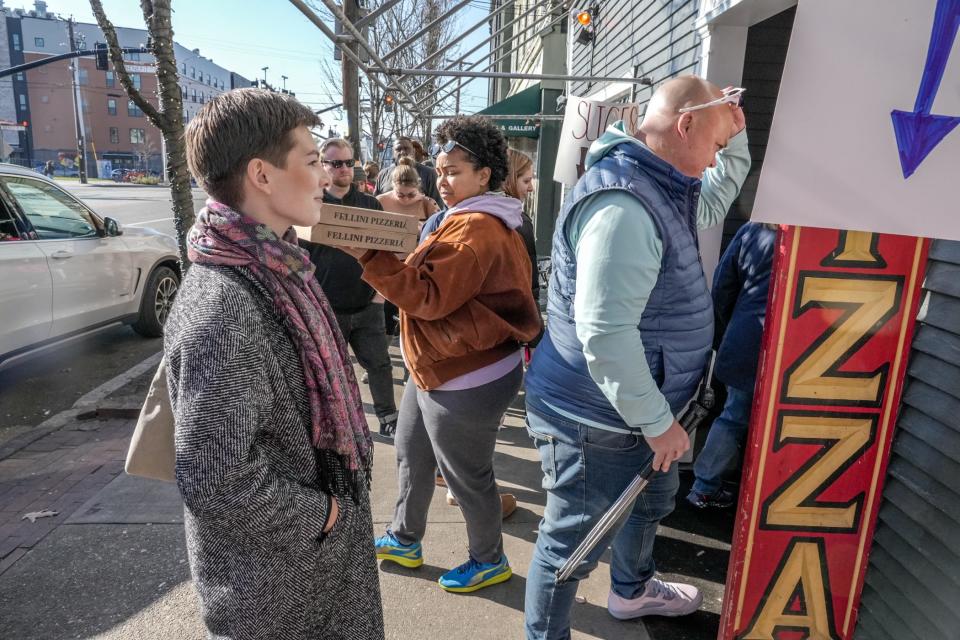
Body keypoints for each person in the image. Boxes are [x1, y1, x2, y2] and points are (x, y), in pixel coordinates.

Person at [522, 76, 750, 637]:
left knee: (648, 504)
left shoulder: (663, 185)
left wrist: (736, 136)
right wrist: (656, 422)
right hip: (599, 419)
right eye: (718, 145)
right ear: (685, 125)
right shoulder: (626, 204)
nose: (718, 159)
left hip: (636, 413)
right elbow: (605, 335)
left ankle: (632, 592)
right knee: (569, 547)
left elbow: (718, 195)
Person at [163, 88, 383, 639]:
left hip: (304, 578)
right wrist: (327, 517)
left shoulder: (276, 266)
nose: (324, 177)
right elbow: (216, 479)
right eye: (311, 161)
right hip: (279, 596)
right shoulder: (225, 302)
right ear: (262, 175)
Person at [349, 115, 540, 593]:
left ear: (485, 175)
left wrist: (370, 256)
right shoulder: (477, 218)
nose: (444, 180)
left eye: (454, 171)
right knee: (412, 455)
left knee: (466, 477)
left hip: (465, 371)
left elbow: (428, 296)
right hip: (438, 362)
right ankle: (404, 538)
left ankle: (489, 559)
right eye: (441, 170)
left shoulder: (477, 226)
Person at [298, 137, 400, 437]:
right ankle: (337, 425)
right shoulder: (310, 203)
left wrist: (380, 297)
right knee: (330, 373)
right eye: (335, 163)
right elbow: (294, 255)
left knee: (379, 365)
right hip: (327, 308)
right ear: (323, 165)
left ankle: (388, 417)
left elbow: (386, 254)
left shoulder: (370, 204)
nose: (344, 169)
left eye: (348, 162)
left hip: (366, 305)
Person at [687, 222, 777, 509]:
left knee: (734, 416)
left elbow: (723, 285)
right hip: (800, 348)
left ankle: (703, 487)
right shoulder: (821, 234)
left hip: (747, 339)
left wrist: (729, 328)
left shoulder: (754, 230)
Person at [503, 149, 541, 310]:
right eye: (526, 181)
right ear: (510, 180)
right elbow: (529, 282)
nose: (531, 188)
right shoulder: (519, 221)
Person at [374, 135, 442, 205]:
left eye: (406, 148)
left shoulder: (429, 174)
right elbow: (375, 204)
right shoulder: (383, 174)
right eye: (398, 149)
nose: (403, 152)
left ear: (413, 151)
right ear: (393, 152)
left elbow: (437, 206)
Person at [376, 156, 441, 223]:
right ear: (393, 186)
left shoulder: (428, 204)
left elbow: (439, 230)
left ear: (418, 187)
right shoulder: (379, 201)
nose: (406, 199)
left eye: (411, 195)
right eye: (400, 195)